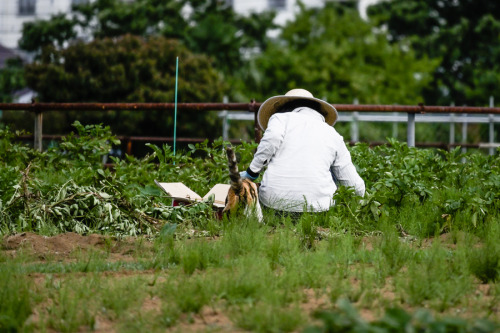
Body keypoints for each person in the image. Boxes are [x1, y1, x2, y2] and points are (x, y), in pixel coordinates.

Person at [239, 88, 365, 215]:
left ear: (285, 107)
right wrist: (360, 207)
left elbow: (273, 138)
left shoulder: (280, 119)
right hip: (319, 211)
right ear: (317, 110)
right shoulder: (332, 133)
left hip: (273, 205)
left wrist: (252, 172)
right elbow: (354, 185)